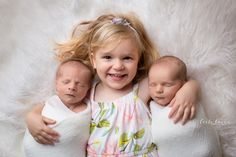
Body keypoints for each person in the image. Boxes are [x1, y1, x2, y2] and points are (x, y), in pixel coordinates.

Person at [26, 13, 199, 156]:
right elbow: (54, 104)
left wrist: (190, 89)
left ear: (138, 60)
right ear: (94, 59)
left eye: (127, 58)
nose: (118, 66)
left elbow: (181, 80)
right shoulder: (86, 93)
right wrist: (32, 117)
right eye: (108, 57)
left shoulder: (141, 89)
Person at [149, 55, 222, 157]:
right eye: (152, 84)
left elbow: (193, 83)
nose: (158, 90)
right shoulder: (152, 105)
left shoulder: (187, 94)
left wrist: (190, 88)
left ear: (183, 83)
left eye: (167, 85)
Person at [23, 58, 94, 157]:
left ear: (88, 88)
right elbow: (32, 115)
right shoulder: (49, 102)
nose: (72, 87)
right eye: (66, 82)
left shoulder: (90, 110)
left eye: (80, 84)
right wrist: (31, 119)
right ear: (56, 84)